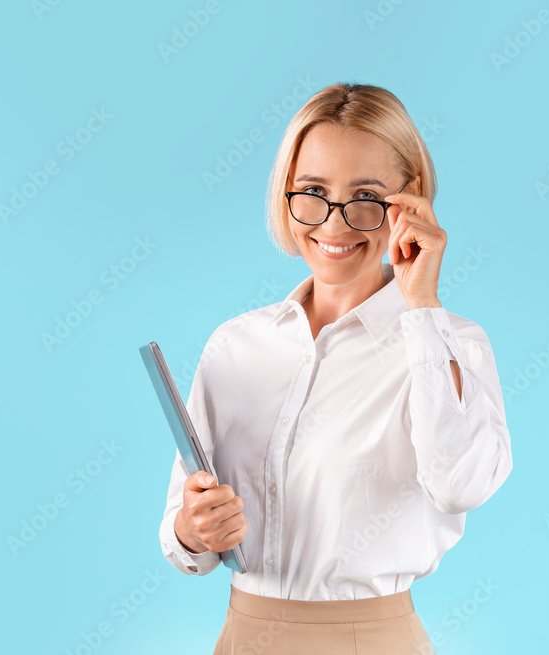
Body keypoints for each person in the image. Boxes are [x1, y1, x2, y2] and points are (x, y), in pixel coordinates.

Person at [159, 82, 513, 654]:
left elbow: (461, 484)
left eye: (366, 195)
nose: (334, 222)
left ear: (411, 199)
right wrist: (192, 530)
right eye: (313, 191)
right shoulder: (235, 346)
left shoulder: (450, 345)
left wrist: (422, 306)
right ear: (286, 194)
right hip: (243, 635)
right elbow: (182, 541)